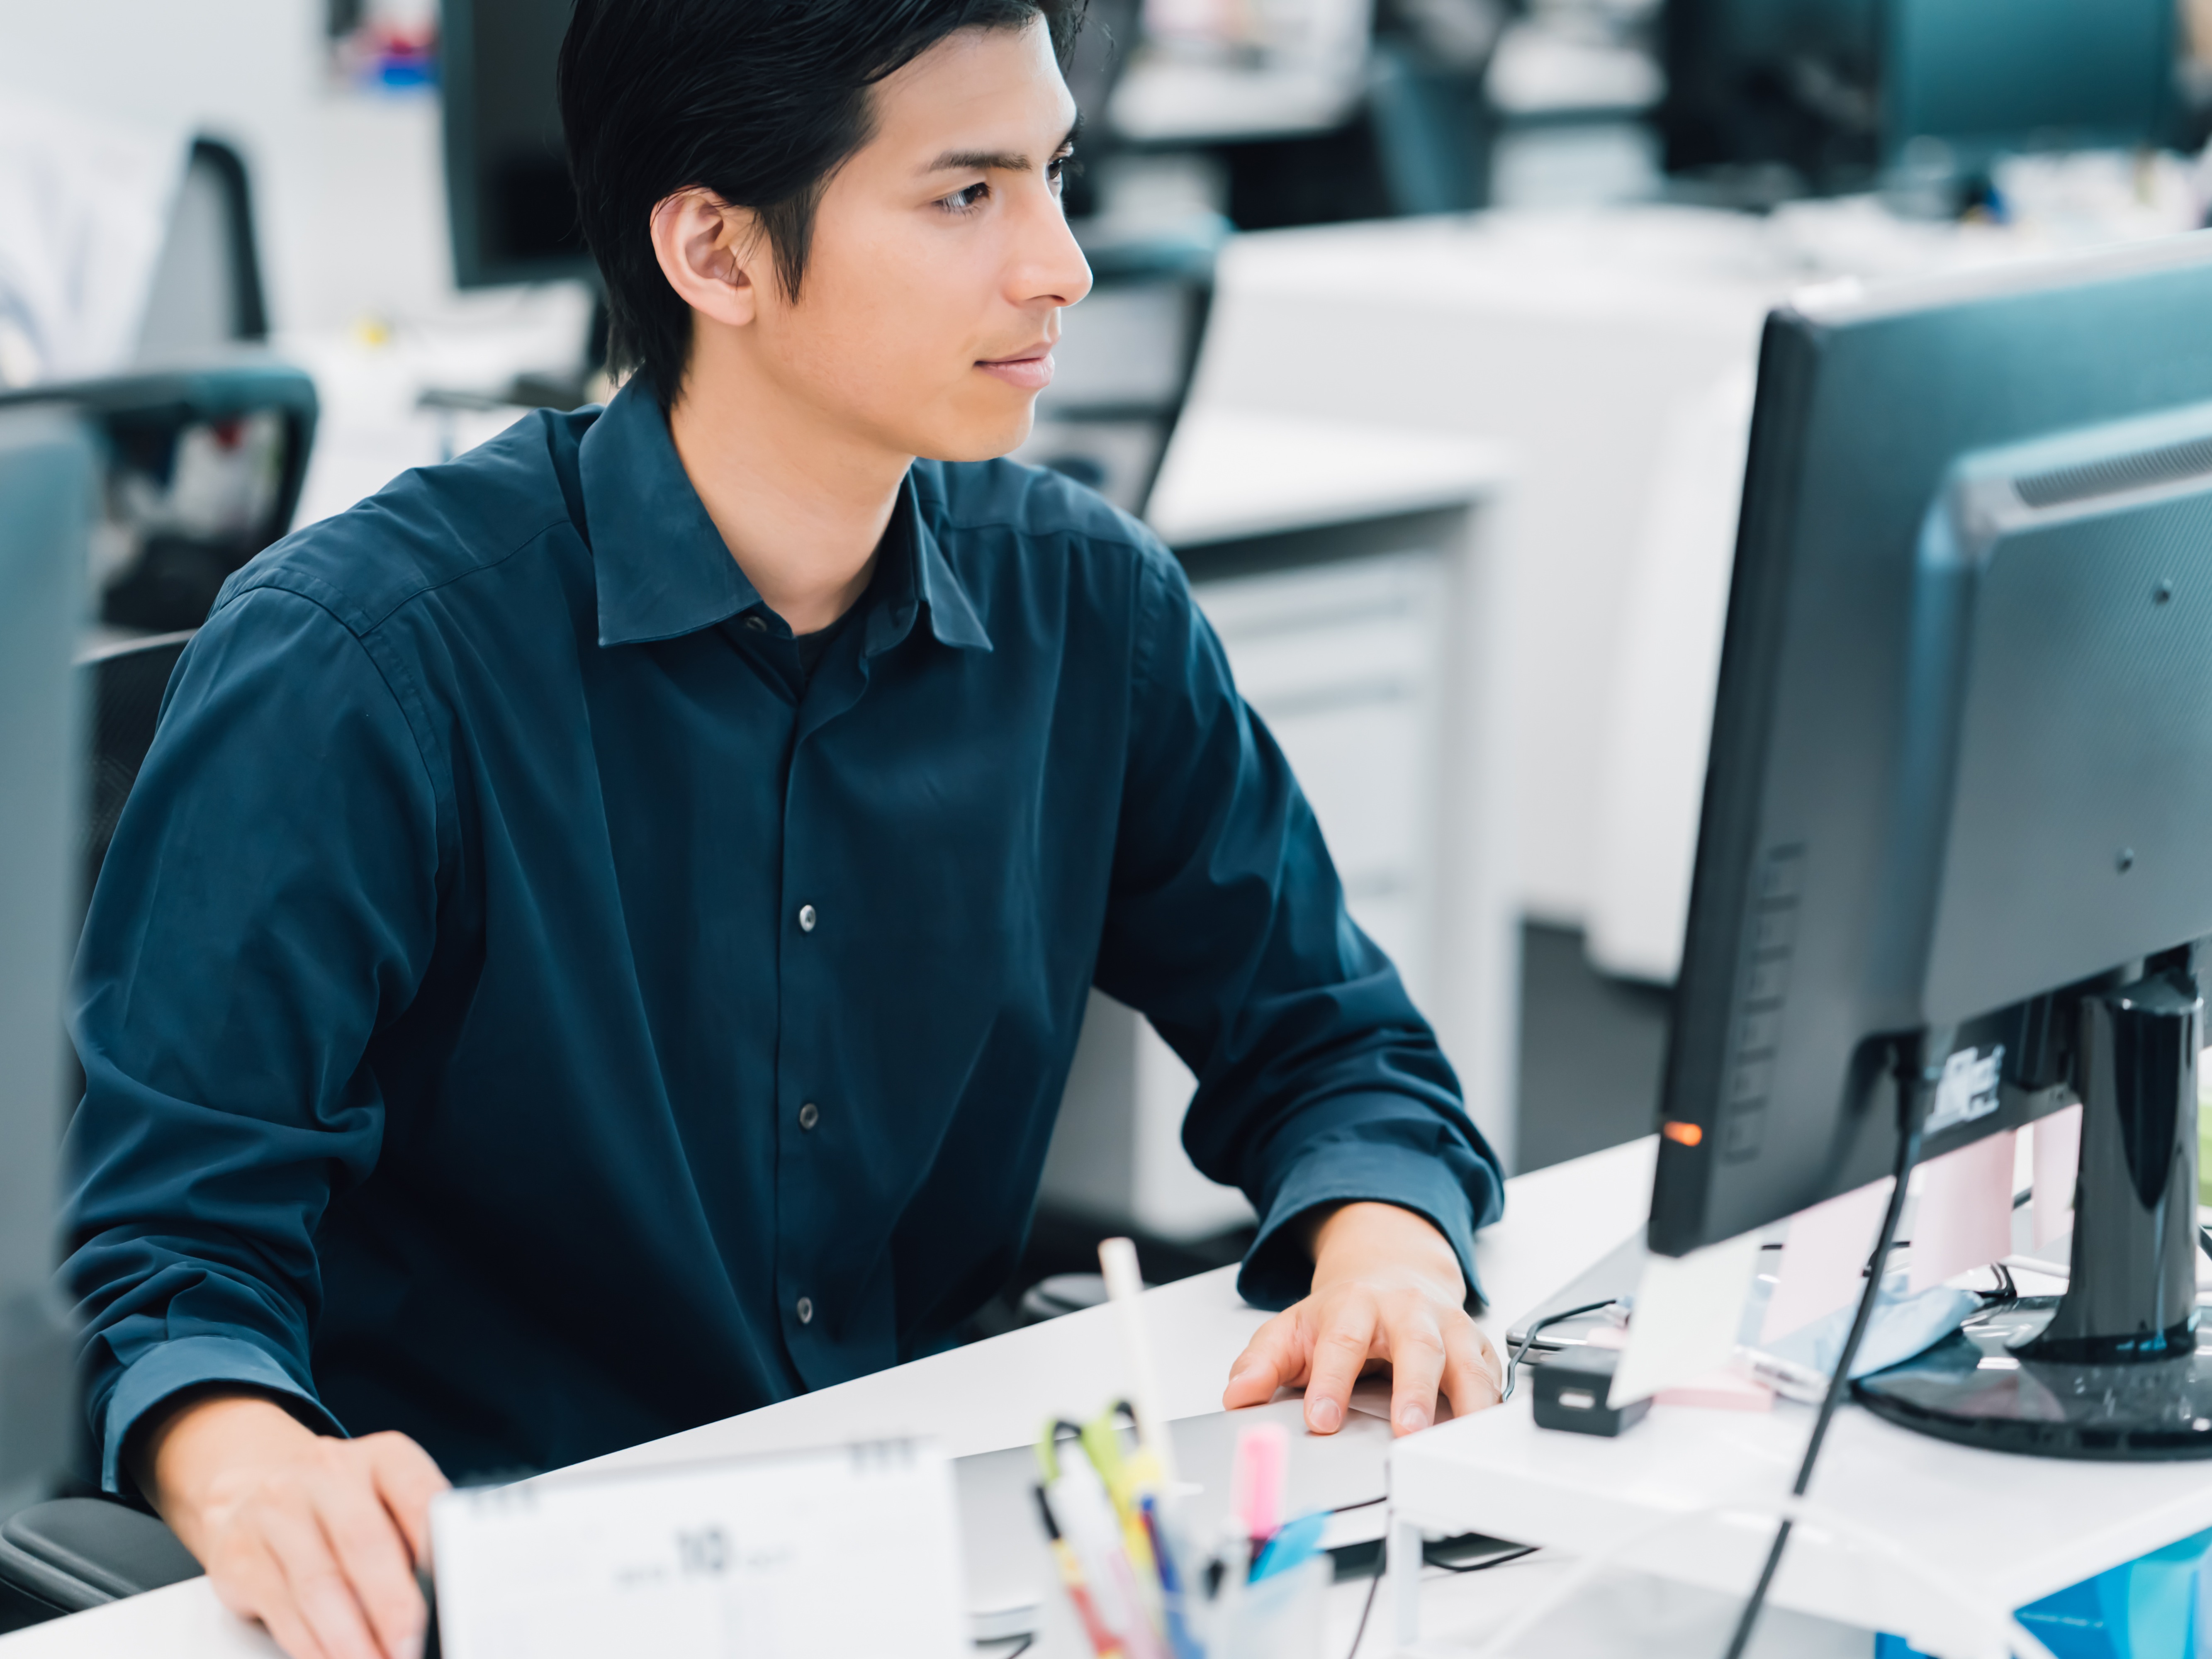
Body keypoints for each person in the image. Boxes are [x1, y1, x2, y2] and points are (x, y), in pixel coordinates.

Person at [62, 3, 1506, 1656]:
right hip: (502, 1580)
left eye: (1053, 174)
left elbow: (1334, 1043)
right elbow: (168, 1245)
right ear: (716, 253)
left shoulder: (1083, 604)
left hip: (921, 1561)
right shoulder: (366, 663)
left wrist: (1383, 1241)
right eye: (965, 195)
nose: (1061, 268)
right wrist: (240, 1452)